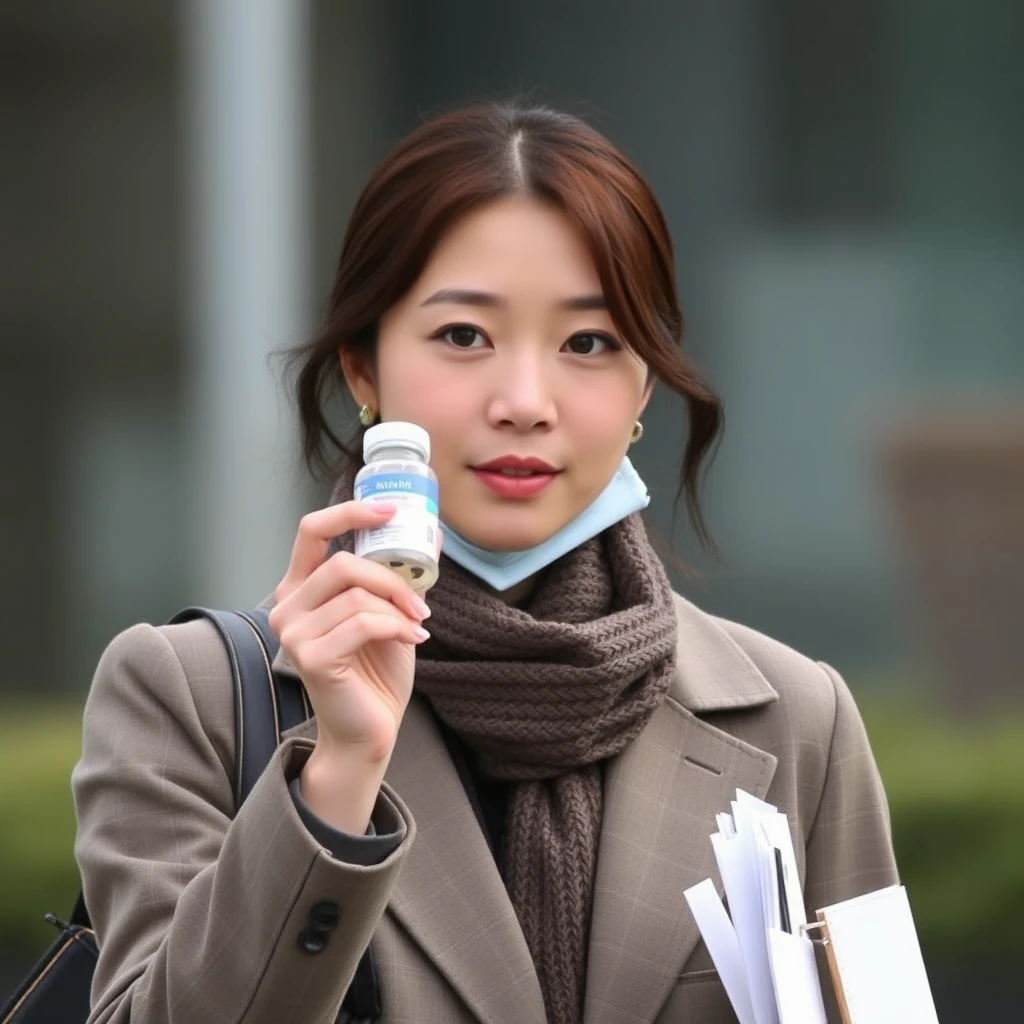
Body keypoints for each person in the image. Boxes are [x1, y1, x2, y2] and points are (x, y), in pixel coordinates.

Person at [72, 102, 898, 1024]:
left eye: (588, 343)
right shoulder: (195, 699)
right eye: (464, 336)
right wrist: (336, 775)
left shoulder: (796, 722)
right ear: (363, 369)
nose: (524, 401)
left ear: (642, 390)